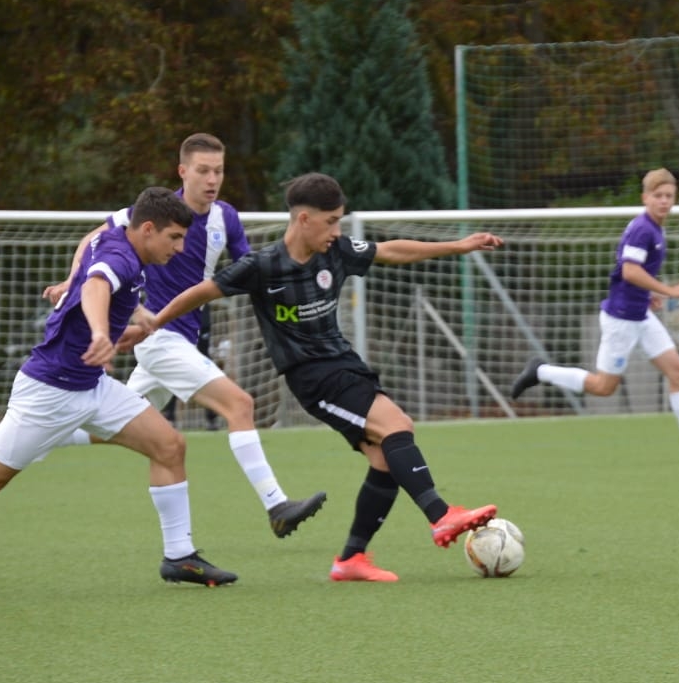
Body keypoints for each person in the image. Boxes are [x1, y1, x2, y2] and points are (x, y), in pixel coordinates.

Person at [0, 187, 237, 590]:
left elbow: (91, 255)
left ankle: (179, 556)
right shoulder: (120, 257)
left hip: (94, 387)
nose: (180, 247)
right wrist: (100, 331)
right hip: (49, 392)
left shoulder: (119, 235)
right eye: (175, 238)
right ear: (149, 229)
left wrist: (122, 305)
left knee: (169, 446)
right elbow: (96, 286)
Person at [141, 172, 501, 583]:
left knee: (385, 457)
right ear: (303, 219)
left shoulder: (338, 251)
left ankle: (351, 559)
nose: (336, 231)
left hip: (345, 363)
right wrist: (154, 323)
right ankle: (440, 515)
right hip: (312, 377)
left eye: (339, 221)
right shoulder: (262, 266)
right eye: (330, 222)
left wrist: (458, 245)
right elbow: (202, 292)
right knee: (397, 426)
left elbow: (391, 251)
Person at [45, 133, 326, 538]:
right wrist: (72, 280)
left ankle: (46, 434)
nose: (212, 180)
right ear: (183, 171)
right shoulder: (155, 214)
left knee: (112, 426)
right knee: (239, 404)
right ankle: (276, 504)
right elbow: (93, 239)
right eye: (203, 171)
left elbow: (250, 270)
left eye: (219, 171)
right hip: (160, 340)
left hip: (178, 342)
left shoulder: (225, 218)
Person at [509, 168, 679, 461]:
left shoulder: (656, 228)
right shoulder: (643, 229)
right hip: (622, 318)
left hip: (640, 315)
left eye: (669, 196)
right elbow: (629, 271)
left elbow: (631, 274)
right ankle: (540, 371)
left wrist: (648, 295)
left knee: (678, 371)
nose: (664, 201)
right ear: (645, 197)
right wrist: (667, 290)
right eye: (658, 195)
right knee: (604, 387)